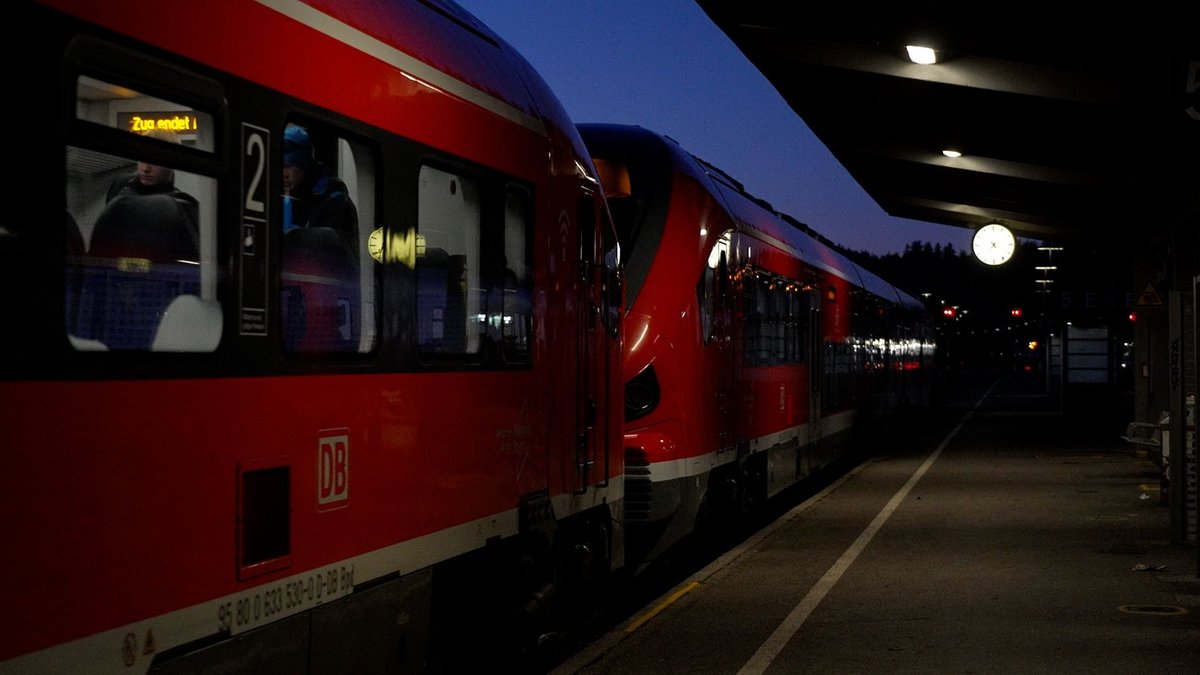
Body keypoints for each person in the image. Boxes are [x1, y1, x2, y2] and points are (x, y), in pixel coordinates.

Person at [95, 128, 200, 262]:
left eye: (154, 161)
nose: (145, 169)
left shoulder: (182, 208)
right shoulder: (120, 187)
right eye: (142, 159)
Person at [282, 124, 358, 246]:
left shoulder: (335, 202)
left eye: (288, 166)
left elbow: (330, 250)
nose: (284, 174)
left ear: (304, 165)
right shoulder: (286, 201)